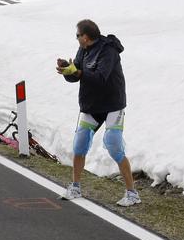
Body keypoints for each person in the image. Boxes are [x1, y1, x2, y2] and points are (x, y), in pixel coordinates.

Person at [56, 19, 140, 207]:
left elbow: (100, 78)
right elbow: (77, 74)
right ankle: (75, 187)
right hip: (92, 105)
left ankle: (132, 194)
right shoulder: (83, 50)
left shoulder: (108, 51)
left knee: (113, 144)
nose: (76, 38)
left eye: (77, 35)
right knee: (80, 144)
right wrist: (67, 71)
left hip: (112, 105)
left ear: (85, 37)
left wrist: (77, 73)